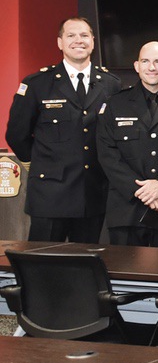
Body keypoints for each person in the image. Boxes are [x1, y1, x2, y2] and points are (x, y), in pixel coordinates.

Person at [5, 17, 120, 243]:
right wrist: (41, 163)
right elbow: (16, 134)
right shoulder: (38, 83)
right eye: (71, 35)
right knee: (41, 265)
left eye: (84, 35)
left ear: (93, 42)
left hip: (92, 193)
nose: (79, 41)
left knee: (84, 267)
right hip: (50, 194)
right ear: (60, 42)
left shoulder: (110, 84)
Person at [96, 41, 158, 248]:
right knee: (124, 273)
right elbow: (107, 155)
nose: (151, 67)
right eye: (145, 61)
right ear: (136, 66)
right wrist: (143, 192)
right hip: (126, 209)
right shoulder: (114, 104)